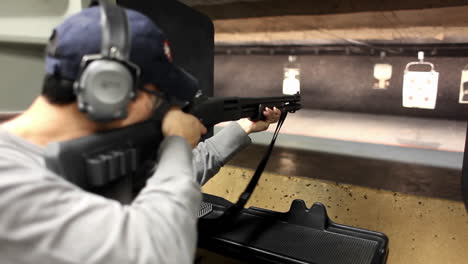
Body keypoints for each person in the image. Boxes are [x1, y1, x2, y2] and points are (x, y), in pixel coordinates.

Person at [0, 5, 280, 264]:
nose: (164, 108)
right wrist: (177, 143)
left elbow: (164, 184)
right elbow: (160, 251)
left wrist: (242, 128)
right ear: (110, 88)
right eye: (159, 96)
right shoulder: (8, 180)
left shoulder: (73, 150)